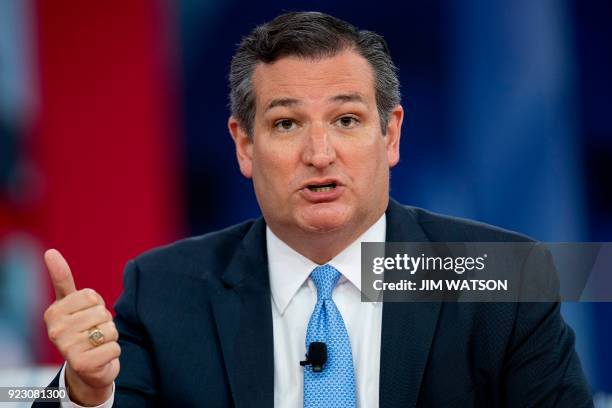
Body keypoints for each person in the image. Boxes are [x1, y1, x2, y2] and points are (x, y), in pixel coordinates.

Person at [36, 11, 592, 408]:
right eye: (285, 124)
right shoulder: (166, 290)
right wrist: (85, 395)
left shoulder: (501, 278)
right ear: (244, 145)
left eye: (347, 120)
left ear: (390, 134)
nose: (319, 154)